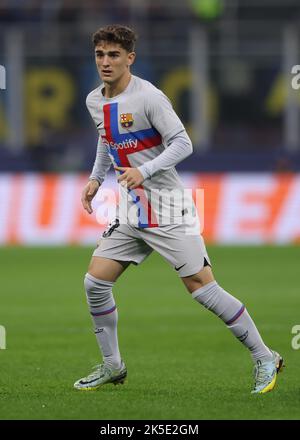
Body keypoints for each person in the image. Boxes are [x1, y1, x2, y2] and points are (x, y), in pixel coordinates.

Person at [74, 24, 284, 394]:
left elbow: (183, 142)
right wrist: (95, 178)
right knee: (95, 282)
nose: (105, 62)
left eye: (114, 55)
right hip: (132, 209)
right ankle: (113, 366)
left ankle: (265, 356)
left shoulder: (149, 97)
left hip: (168, 207)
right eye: (100, 55)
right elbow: (106, 139)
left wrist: (145, 170)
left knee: (202, 288)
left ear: (130, 59)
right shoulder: (95, 100)